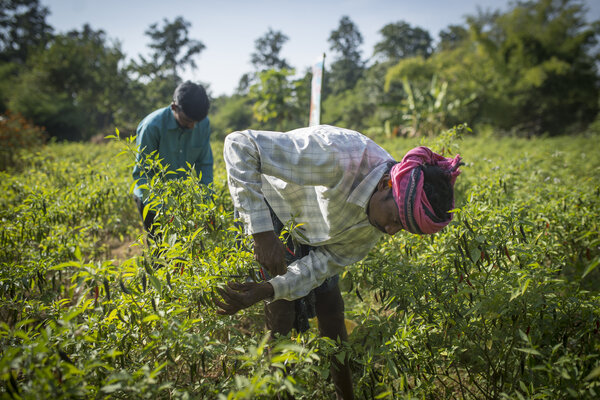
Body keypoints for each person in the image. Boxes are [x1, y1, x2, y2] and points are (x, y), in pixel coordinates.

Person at [215, 125, 462, 399]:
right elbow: (240, 144)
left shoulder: (373, 228)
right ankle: (277, 391)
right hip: (276, 206)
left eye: (401, 227)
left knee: (332, 310)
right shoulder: (339, 156)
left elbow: (321, 266)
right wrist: (262, 235)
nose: (391, 231)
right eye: (394, 219)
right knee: (281, 314)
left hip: (321, 226)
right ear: (384, 185)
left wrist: (267, 289)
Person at [132, 81, 213, 235]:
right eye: (188, 121)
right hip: (152, 200)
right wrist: (161, 208)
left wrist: (207, 202)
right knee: (159, 250)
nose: (193, 127)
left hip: (180, 198)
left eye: (197, 122)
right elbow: (143, 174)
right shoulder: (152, 127)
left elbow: (205, 164)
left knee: (185, 249)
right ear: (174, 107)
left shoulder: (202, 123)